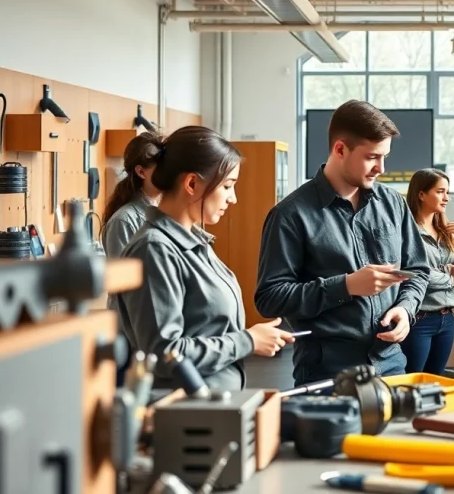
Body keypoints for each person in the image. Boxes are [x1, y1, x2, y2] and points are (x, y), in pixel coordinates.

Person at [254, 100, 431, 385]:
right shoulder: (290, 215)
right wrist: (345, 286)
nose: (381, 168)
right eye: (372, 157)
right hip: (328, 374)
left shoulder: (393, 204)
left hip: (391, 365)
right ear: (340, 149)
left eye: (385, 156)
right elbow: (270, 298)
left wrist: (406, 309)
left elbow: (418, 269)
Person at [113, 126, 292, 392]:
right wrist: (247, 341)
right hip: (185, 413)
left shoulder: (196, 242)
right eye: (228, 186)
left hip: (215, 405)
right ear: (192, 184)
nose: (233, 198)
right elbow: (165, 354)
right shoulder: (154, 249)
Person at [402, 169, 454, 375]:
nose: (446, 198)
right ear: (421, 194)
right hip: (419, 319)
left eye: (447, 192)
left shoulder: (446, 230)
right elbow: (417, 274)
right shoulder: (407, 231)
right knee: (413, 382)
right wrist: (450, 278)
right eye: (440, 191)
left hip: (446, 319)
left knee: (435, 381)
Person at [101, 131, 163, 258]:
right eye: (162, 168)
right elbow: (122, 275)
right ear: (141, 172)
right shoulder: (123, 221)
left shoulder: (165, 211)